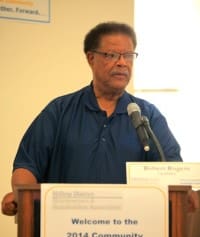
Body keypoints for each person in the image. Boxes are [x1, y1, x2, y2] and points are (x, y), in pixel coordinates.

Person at [2, 21, 182, 216]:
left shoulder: (148, 115)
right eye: (111, 55)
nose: (122, 62)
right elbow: (27, 166)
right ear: (91, 58)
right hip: (65, 229)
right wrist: (22, 196)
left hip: (131, 231)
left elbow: (171, 169)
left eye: (128, 55)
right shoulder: (59, 111)